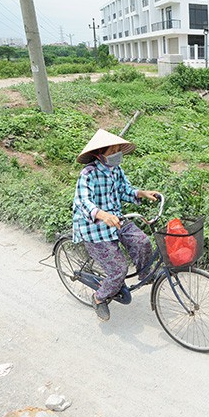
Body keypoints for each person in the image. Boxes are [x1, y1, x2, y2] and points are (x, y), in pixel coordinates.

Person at [72, 128, 159, 321]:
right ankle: (99, 298)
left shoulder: (116, 170)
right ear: (99, 155)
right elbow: (82, 201)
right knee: (118, 269)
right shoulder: (88, 174)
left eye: (118, 150)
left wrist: (141, 193)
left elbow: (124, 190)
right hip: (94, 228)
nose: (116, 155)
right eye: (112, 152)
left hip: (117, 220)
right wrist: (102, 214)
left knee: (142, 241)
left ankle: (146, 274)